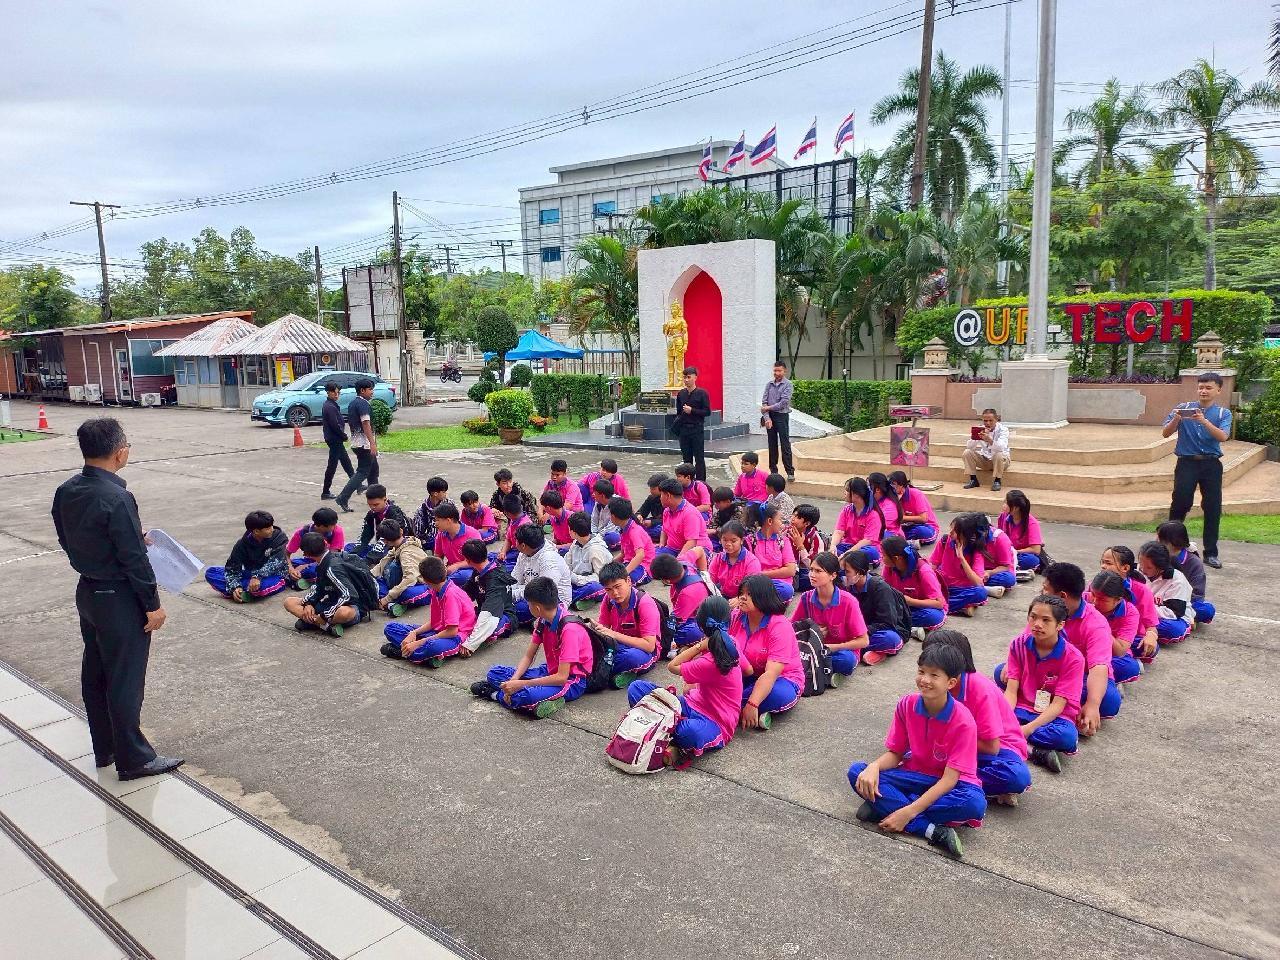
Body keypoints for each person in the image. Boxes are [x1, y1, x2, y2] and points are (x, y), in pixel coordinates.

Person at [51, 417, 182, 780]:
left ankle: (105, 748)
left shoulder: (67, 489)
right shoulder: (117, 497)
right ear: (120, 452)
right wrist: (152, 605)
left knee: (96, 672)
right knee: (124, 678)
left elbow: (66, 535)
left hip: (88, 591)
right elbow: (134, 560)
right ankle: (134, 759)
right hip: (118, 597)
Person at [848, 644, 986, 860]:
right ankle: (930, 830)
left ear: (951, 683)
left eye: (934, 675)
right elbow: (896, 753)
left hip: (952, 784)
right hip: (915, 775)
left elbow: (949, 780)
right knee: (858, 772)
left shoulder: (963, 721)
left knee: (974, 804)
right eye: (921, 671)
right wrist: (874, 766)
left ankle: (886, 806)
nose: (925, 680)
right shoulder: (907, 705)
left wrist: (908, 812)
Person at [626, 596, 743, 762]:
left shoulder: (708, 662)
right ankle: (665, 730)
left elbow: (672, 666)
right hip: (690, 703)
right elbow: (747, 669)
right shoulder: (732, 642)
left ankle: (659, 725)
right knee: (637, 688)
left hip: (716, 721)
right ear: (728, 622)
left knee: (688, 732)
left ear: (701, 626)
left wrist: (699, 646)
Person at [922, 630, 1031, 806]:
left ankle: (944, 782)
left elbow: (991, 747)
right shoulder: (933, 684)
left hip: (996, 749)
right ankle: (952, 783)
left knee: (1016, 777)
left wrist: (948, 739)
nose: (927, 675)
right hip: (954, 747)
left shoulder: (979, 689)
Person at [471, 576, 593, 717]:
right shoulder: (543, 621)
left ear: (537, 608)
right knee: (494, 673)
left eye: (528, 604)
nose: (528, 607)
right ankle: (526, 695)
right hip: (549, 671)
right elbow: (529, 656)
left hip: (571, 681)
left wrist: (521, 684)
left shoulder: (569, 630)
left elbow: (561, 677)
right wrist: (514, 679)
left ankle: (494, 694)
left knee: (525, 696)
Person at [996, 594, 1084, 774]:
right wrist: (1004, 717)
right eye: (1033, 617)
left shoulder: (1073, 658)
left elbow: (1058, 705)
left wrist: (1027, 729)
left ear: (1060, 625)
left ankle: (1010, 740)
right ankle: (1032, 750)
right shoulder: (1018, 644)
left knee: (1066, 737)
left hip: (1054, 716)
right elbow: (1011, 691)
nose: (1037, 624)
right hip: (1021, 707)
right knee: (993, 716)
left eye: (1046, 620)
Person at [1040, 562, 1121, 734]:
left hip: (1082, 678)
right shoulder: (1044, 610)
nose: (1042, 592)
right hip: (1048, 671)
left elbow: (1098, 667)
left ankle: (1046, 706)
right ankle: (1066, 712)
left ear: (1062, 596)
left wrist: (1092, 704)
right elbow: (1026, 641)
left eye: (1045, 589)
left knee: (1109, 700)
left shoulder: (1096, 623)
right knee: (1002, 672)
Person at [1164, 371, 1230, 569]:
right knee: (1180, 503)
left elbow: (1223, 437)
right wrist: (1176, 419)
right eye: (1201, 387)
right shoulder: (1183, 408)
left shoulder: (1223, 413)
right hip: (1187, 463)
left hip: (1211, 464)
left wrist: (1204, 421)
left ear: (1218, 390)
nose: (1203, 391)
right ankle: (1169, 548)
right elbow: (1165, 433)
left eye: (1208, 387)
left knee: (1212, 507)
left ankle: (1211, 553)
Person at [730, 575, 804, 727]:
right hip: (748, 674)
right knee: (719, 688)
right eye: (741, 593)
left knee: (778, 695)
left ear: (763, 597)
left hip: (782, 678)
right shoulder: (736, 616)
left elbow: (771, 673)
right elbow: (718, 647)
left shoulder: (779, 625)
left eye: (749, 594)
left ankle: (733, 708)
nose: (742, 597)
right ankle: (739, 710)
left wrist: (753, 703)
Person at [381, 557, 477, 665]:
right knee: (390, 628)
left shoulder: (451, 594)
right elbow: (434, 622)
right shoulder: (436, 590)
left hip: (456, 636)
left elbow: (452, 631)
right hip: (438, 631)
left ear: (425, 580)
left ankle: (401, 652)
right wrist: (414, 633)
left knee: (433, 646)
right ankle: (421, 655)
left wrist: (419, 642)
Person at [285, 532, 380, 636]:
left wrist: (324, 616)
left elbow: (349, 596)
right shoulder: (323, 563)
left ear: (306, 554)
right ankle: (325, 626)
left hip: (352, 606)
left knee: (344, 613)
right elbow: (318, 587)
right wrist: (308, 603)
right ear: (326, 543)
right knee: (289, 602)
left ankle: (314, 622)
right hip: (331, 603)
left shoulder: (332, 568)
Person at [792, 552, 868, 677]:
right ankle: (822, 672)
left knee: (846, 661)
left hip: (840, 652)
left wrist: (832, 647)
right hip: (813, 648)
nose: (812, 574)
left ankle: (813, 670)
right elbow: (791, 628)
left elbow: (864, 641)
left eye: (818, 571)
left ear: (833, 575)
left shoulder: (848, 601)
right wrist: (811, 632)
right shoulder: (806, 598)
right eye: (811, 570)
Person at [587, 562, 662, 682]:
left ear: (628, 581)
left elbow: (649, 646)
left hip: (644, 651)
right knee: (588, 649)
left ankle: (598, 671)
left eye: (618, 586)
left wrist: (613, 634)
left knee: (630, 658)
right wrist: (594, 630)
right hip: (619, 645)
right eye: (608, 589)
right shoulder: (608, 600)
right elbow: (604, 628)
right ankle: (607, 671)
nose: (615, 593)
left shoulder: (644, 604)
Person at [840, 549, 912, 665]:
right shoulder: (848, 587)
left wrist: (860, 632)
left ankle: (853, 650)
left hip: (876, 630)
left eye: (847, 572)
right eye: (842, 571)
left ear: (860, 572)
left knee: (890, 639)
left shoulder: (880, 588)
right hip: (857, 631)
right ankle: (862, 651)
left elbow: (887, 622)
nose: (843, 575)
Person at [205, 510, 289, 601]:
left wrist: (257, 576)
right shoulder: (242, 544)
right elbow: (232, 567)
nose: (272, 529)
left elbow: (276, 563)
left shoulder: (279, 537)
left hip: (273, 575)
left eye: (272, 526)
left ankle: (242, 591)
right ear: (256, 531)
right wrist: (235, 586)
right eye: (268, 528)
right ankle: (240, 591)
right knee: (211, 572)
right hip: (250, 574)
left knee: (260, 588)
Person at [928, 515, 1000, 616]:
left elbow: (978, 582)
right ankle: (961, 607)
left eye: (954, 531)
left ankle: (939, 606)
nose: (950, 533)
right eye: (950, 529)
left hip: (963, 590)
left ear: (965, 534)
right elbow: (933, 566)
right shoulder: (945, 540)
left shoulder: (975, 549)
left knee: (981, 593)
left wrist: (961, 558)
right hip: (943, 586)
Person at [1100, 545, 1159, 666]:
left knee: (1149, 647)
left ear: (1125, 568)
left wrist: (1151, 635)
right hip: (1100, 633)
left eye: (1108, 563)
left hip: (1128, 637)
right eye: (1102, 562)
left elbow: (1151, 625)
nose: (1103, 566)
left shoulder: (1141, 591)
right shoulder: (1097, 585)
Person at [880, 535, 947, 640]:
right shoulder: (890, 567)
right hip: (901, 608)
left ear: (896, 558)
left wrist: (910, 601)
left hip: (922, 608)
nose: (881, 558)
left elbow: (939, 603)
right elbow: (885, 590)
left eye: (883, 555)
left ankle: (899, 627)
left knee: (934, 617)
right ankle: (909, 629)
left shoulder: (924, 570)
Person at [457, 538, 517, 651]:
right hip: (483, 610)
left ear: (468, 560)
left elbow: (490, 614)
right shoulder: (479, 570)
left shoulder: (495, 579)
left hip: (503, 614)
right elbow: (466, 593)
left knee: (491, 628)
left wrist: (470, 644)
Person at [1087, 570, 1144, 684]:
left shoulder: (1130, 612)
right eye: (1093, 594)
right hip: (1082, 650)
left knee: (1129, 667)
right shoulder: (1083, 600)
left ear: (1118, 600)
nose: (1095, 601)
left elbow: (1120, 650)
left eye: (1103, 599)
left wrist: (1099, 624)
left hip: (1108, 654)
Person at [510, 524, 573, 625]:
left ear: (523, 545)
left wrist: (511, 595)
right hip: (530, 592)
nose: (515, 543)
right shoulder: (524, 553)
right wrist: (507, 591)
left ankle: (542, 621)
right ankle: (536, 621)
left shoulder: (549, 560)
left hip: (551, 600)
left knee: (517, 609)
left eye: (516, 541)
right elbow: (515, 578)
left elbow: (542, 592)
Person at [650, 552, 712, 652]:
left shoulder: (688, 592)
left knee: (684, 633)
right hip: (694, 609)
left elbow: (676, 622)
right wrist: (704, 573)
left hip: (702, 619)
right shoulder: (683, 562)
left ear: (666, 581)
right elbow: (700, 550)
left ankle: (694, 646)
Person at [1157, 520, 1215, 623]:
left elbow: (1198, 595)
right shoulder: (1156, 557)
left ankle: (1184, 618)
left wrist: (1179, 600)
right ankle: (1182, 620)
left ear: (1173, 542)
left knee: (1206, 610)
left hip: (1185, 602)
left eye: (1160, 539)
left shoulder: (1194, 563)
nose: (1156, 541)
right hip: (1160, 599)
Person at [335, 378, 379, 512]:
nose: (372, 392)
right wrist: (372, 443)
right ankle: (343, 497)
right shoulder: (363, 404)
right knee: (363, 472)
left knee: (373, 471)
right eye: (370, 389)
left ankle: (377, 498)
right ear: (362, 390)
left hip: (357, 442)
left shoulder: (353, 403)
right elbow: (366, 424)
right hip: (363, 443)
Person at [1137, 541, 1195, 643]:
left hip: (1170, 617)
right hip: (1143, 614)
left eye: (1149, 567)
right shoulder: (1138, 571)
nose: (1143, 570)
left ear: (1161, 567)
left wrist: (1143, 609)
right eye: (1141, 564)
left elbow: (1174, 612)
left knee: (1171, 629)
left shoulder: (1177, 581)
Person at [370, 520, 430, 614]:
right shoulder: (398, 547)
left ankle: (389, 603)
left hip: (421, 585)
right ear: (401, 531)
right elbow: (381, 565)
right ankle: (392, 605)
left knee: (405, 594)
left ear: (385, 541)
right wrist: (367, 577)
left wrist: (387, 598)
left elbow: (410, 579)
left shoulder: (407, 553)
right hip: (399, 583)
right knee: (373, 583)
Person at [347, 484, 409, 566]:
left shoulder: (395, 515)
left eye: (376, 504)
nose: (372, 507)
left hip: (396, 548)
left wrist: (367, 560)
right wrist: (353, 555)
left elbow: (385, 541)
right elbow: (364, 536)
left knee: (389, 562)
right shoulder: (371, 514)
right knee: (349, 548)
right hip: (380, 547)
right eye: (370, 505)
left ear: (385, 500)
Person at [657, 477, 712, 568]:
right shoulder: (667, 511)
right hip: (673, 549)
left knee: (683, 569)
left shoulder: (690, 513)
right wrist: (661, 545)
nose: (660, 498)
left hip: (696, 550)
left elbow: (691, 542)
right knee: (652, 560)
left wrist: (678, 560)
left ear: (668, 495)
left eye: (661, 495)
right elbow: (664, 530)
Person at [749, 504, 797, 603]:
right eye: (780, 520)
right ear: (770, 521)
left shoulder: (783, 541)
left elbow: (791, 570)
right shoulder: (750, 541)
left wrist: (761, 574)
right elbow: (748, 570)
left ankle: (756, 600)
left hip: (777, 583)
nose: (782, 524)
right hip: (756, 583)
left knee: (786, 590)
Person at [707, 521, 761, 606]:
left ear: (741, 540)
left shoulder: (751, 562)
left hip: (744, 599)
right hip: (723, 596)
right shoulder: (718, 558)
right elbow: (710, 580)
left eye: (733, 541)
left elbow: (752, 588)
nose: (728, 544)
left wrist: (739, 599)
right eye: (725, 540)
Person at [286, 508, 345, 585]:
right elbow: (286, 553)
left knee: (311, 571)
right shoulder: (302, 532)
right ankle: (300, 577)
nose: (335, 526)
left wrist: (306, 566)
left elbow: (331, 558)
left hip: (327, 561)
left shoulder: (337, 531)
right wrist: (290, 568)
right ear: (322, 526)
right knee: (288, 564)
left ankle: (298, 577)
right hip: (310, 559)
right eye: (333, 525)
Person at [565, 511, 611, 607]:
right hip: (575, 580)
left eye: (569, 528)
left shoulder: (595, 549)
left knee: (596, 588)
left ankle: (566, 598)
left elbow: (600, 577)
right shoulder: (575, 543)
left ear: (574, 532)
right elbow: (567, 563)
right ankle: (579, 599)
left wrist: (576, 579)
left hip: (590, 582)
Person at [673, 366, 711, 482]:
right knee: (686, 459)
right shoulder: (681, 394)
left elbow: (707, 412)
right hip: (684, 430)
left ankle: (701, 483)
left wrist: (692, 410)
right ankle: (688, 482)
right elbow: (678, 412)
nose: (686, 380)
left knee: (699, 458)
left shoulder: (702, 393)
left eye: (689, 377)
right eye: (684, 377)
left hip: (696, 429)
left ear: (695, 378)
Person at [833, 477, 885, 562]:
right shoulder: (847, 510)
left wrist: (847, 554)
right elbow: (839, 531)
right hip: (848, 545)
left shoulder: (873, 515)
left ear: (856, 494)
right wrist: (833, 546)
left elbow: (868, 540)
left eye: (847, 490)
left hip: (863, 548)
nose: (844, 493)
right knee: (835, 550)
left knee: (871, 552)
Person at [431, 502, 481, 585]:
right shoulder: (441, 534)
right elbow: (438, 556)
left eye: (438, 520)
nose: (435, 524)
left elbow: (478, 560)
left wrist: (457, 566)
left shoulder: (472, 534)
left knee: (466, 576)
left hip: (470, 569)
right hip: (451, 570)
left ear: (448, 520)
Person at [761, 359, 795, 481]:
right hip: (770, 417)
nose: (776, 373)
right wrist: (767, 418)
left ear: (784, 371)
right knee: (772, 444)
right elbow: (764, 402)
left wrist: (767, 408)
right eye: (775, 370)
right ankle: (773, 471)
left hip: (782, 416)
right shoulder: (769, 384)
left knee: (785, 444)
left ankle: (790, 471)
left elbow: (783, 403)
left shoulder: (788, 385)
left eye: (779, 371)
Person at [997, 490, 1045, 576]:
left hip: (1020, 554)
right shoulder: (1003, 516)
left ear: (1016, 508)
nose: (1003, 505)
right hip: (1006, 552)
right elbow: (999, 535)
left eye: (1006, 503)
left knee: (1031, 560)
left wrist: (1016, 552)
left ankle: (1005, 567)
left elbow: (1036, 550)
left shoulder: (1032, 523)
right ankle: (1012, 568)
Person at [962, 407, 1010, 491]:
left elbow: (1001, 448)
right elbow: (969, 447)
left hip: (1001, 461)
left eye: (991, 420)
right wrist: (976, 437)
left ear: (996, 419)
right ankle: (973, 479)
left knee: (999, 455)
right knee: (967, 452)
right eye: (985, 421)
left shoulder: (1003, 430)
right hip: (985, 459)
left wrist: (990, 440)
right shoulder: (980, 429)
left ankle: (997, 481)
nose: (988, 423)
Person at [320, 381, 353, 501]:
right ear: (328, 392)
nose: (336, 394)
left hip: (335, 438)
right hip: (334, 439)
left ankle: (356, 484)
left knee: (345, 462)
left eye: (338, 392)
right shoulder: (329, 406)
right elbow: (334, 425)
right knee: (332, 466)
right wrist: (343, 435)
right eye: (334, 392)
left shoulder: (332, 405)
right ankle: (325, 491)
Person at [611, 498, 655, 585]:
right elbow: (623, 554)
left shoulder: (635, 531)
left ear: (613, 516)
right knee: (611, 575)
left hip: (644, 567)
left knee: (623, 581)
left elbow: (640, 555)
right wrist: (609, 564)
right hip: (629, 563)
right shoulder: (624, 529)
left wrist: (625, 572)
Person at [888, 470, 939, 545]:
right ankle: (906, 542)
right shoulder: (893, 496)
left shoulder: (916, 494)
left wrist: (903, 518)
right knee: (890, 531)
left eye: (894, 484)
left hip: (926, 526)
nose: (891, 487)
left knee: (920, 531)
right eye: (890, 484)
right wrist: (897, 501)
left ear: (901, 485)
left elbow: (923, 518)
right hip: (907, 526)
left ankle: (901, 541)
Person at [488, 468, 538, 544]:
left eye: (510, 481)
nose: (508, 485)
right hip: (508, 520)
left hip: (524, 521)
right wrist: (493, 510)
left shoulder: (523, 494)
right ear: (498, 484)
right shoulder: (497, 495)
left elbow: (532, 513)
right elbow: (491, 509)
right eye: (504, 483)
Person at [788, 504, 825, 593]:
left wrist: (800, 546)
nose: (792, 518)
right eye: (793, 515)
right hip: (788, 568)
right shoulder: (786, 531)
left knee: (815, 579)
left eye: (797, 517)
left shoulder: (814, 538)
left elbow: (815, 564)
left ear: (807, 523)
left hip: (804, 571)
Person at [976, 514, 1016, 591]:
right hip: (978, 569)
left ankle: (979, 586)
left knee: (1008, 579)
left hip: (996, 571)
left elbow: (1005, 567)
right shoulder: (971, 538)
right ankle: (985, 588)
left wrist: (989, 572)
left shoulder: (1000, 538)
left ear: (986, 530)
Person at [496, 492, 534, 572]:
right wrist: (503, 552)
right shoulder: (514, 520)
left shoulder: (525, 526)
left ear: (506, 513)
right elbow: (508, 539)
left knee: (500, 568)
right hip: (514, 551)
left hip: (522, 554)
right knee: (491, 557)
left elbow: (527, 551)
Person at [408, 476, 452, 545]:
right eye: (443, 492)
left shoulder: (450, 504)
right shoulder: (422, 510)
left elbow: (455, 523)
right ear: (435, 494)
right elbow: (418, 533)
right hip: (430, 543)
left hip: (448, 539)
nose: (446, 494)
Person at [733, 452, 768, 524]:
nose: (742, 466)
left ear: (754, 465)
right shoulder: (741, 477)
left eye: (746, 464)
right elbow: (737, 494)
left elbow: (771, 491)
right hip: (746, 504)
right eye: (742, 463)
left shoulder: (764, 475)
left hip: (762, 506)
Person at [587, 478, 622, 550]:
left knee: (611, 537)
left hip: (614, 532)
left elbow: (611, 528)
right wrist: (594, 534)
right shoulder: (598, 503)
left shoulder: (617, 505)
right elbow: (593, 521)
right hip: (600, 533)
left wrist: (595, 538)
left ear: (602, 496)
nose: (593, 495)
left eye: (595, 493)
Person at [866, 472, 902, 538]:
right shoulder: (873, 501)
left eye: (869, 486)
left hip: (891, 537)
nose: (866, 489)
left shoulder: (889, 506)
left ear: (877, 489)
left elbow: (878, 525)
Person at [635, 473, 667, 543]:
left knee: (658, 530)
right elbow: (641, 512)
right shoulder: (651, 498)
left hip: (663, 525)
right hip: (654, 522)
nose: (651, 491)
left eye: (653, 489)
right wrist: (639, 516)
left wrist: (652, 522)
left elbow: (671, 521)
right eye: (650, 488)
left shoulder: (669, 500)